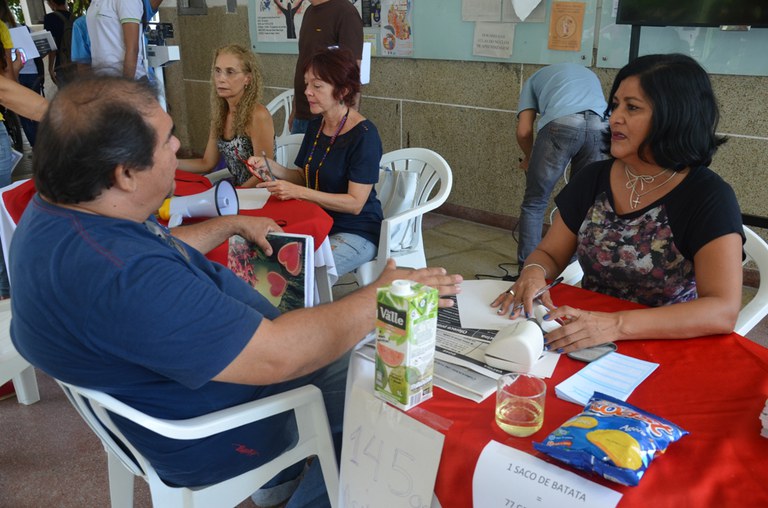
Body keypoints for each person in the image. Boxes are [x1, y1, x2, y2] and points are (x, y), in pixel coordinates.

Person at [9, 76, 462, 507]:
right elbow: (280, 355)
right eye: (167, 141)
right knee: (383, 381)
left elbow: (162, 246)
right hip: (214, 434)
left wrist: (230, 224)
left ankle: (279, 482)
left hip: (174, 399)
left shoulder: (59, 215)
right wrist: (380, 296)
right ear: (125, 174)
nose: (177, 147)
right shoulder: (125, 277)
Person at [492, 54, 744, 353]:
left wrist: (616, 324)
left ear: (675, 115)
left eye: (632, 107)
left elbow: (722, 309)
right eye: (615, 105)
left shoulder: (707, 195)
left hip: (664, 342)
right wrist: (533, 270)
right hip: (586, 335)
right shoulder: (593, 178)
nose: (613, 118)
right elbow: (550, 253)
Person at [249, 47, 383, 277]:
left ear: (343, 91)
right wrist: (271, 166)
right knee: (261, 256)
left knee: (300, 276)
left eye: (317, 86)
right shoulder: (316, 126)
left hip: (356, 231)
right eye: (307, 84)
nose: (307, 92)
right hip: (316, 221)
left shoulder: (364, 135)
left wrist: (298, 192)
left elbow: (355, 204)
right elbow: (304, 177)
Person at [515, 63, 608, 270]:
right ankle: (571, 270)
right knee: (582, 204)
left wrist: (530, 158)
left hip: (561, 124)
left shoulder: (533, 80)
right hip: (600, 126)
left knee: (535, 202)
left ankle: (528, 269)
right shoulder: (589, 74)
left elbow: (523, 131)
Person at [177, 45, 275, 188]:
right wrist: (169, 163)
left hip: (261, 192)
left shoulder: (258, 115)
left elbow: (264, 172)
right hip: (237, 192)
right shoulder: (220, 114)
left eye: (230, 72)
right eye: (217, 71)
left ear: (247, 79)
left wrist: (235, 194)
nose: (221, 79)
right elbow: (207, 163)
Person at [291, 0, 362, 134]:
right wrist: (295, 110)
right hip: (302, 115)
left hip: (329, 120)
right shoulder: (309, 11)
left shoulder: (345, 12)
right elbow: (304, 65)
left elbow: (353, 74)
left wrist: (348, 124)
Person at [0, 0, 43, 146]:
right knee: (29, 112)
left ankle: (37, 146)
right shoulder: (17, 28)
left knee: (25, 117)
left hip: (18, 76)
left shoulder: (3, 29)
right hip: (31, 72)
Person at [86, 0, 147, 79]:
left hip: (128, 79)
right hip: (104, 79)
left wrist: (126, 83)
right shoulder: (94, 2)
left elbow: (132, 48)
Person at [43, 0, 71, 86]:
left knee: (66, 93)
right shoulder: (75, 18)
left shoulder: (49, 18)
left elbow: (52, 45)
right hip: (78, 63)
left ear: (52, 2)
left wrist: (50, 68)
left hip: (62, 64)